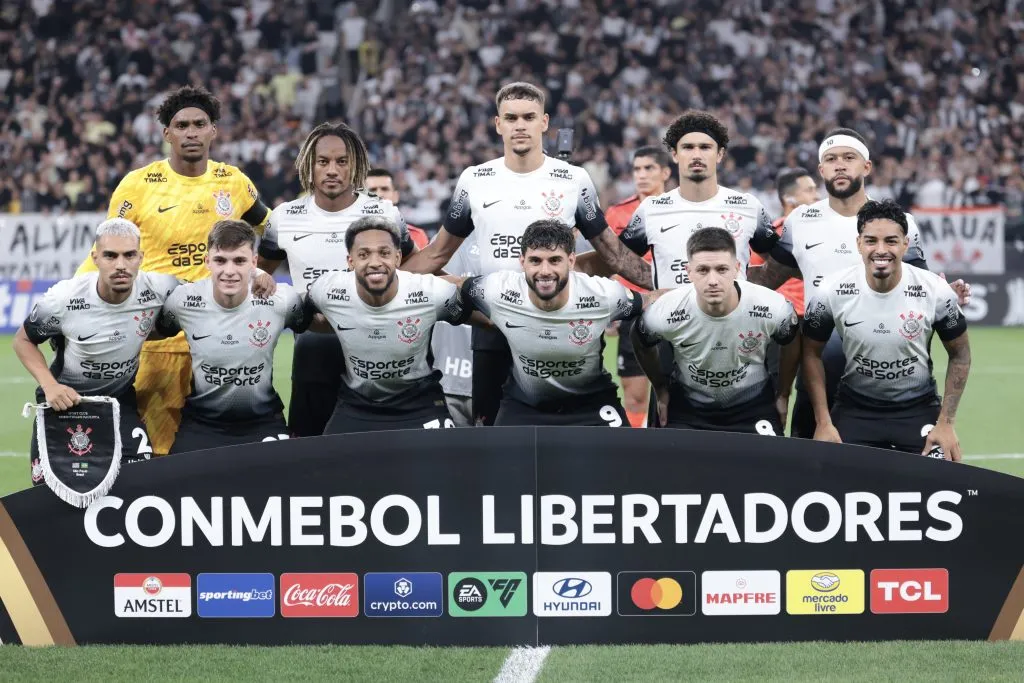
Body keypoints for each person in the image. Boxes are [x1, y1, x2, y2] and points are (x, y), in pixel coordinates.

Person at [400, 81, 651, 425]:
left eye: (529, 117)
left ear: (544, 122)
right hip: (493, 325)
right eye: (511, 118)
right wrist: (387, 283)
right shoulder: (475, 179)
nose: (520, 125)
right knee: (491, 431)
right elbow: (436, 254)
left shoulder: (573, 179)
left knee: (562, 426)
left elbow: (614, 255)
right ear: (498, 124)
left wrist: (671, 286)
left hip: (557, 324)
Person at [75, 85, 272, 455]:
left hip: (222, 341)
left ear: (213, 130)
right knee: (157, 450)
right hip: (158, 341)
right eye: (182, 126)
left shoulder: (233, 182)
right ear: (167, 133)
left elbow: (270, 229)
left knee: (224, 447)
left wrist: (263, 273)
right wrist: (76, 300)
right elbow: (103, 250)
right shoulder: (138, 185)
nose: (191, 132)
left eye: (199, 124)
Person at [749, 128, 970, 438]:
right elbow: (769, 279)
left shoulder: (897, 222)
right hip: (820, 365)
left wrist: (946, 292)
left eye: (848, 158)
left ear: (866, 167)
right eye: (831, 159)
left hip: (886, 370)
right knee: (812, 458)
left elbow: (919, 285)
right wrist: (725, 274)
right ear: (821, 169)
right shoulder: (800, 221)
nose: (839, 165)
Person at [257, 123, 418, 437]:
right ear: (310, 165)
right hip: (313, 352)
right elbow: (260, 274)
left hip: (376, 352)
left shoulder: (383, 212)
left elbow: (416, 266)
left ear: (355, 165)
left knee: (375, 446)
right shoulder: (284, 217)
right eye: (323, 161)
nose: (332, 170)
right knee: (310, 447)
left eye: (342, 161)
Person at [802, 200, 970, 461]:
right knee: (829, 476)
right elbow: (810, 353)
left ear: (905, 244)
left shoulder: (935, 291)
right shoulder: (831, 290)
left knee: (946, 476)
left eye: (891, 241)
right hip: (855, 409)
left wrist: (946, 423)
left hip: (917, 408)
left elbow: (960, 354)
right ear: (858, 244)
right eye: (871, 241)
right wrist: (823, 422)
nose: (881, 250)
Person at [14, 219, 180, 483]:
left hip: (118, 404)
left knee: (141, 484)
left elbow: (206, 297)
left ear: (141, 257)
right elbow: (22, 340)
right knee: (47, 497)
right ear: (95, 258)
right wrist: (50, 386)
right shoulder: (65, 298)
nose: (121, 264)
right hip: (65, 405)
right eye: (110, 256)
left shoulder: (161, 288)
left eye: (129, 255)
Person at [460, 220, 645, 426]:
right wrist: (490, 321)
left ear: (571, 261)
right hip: (525, 406)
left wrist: (661, 383)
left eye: (555, 260)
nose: (545, 271)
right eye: (535, 261)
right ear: (522, 262)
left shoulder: (604, 295)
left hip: (592, 404)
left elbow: (650, 305)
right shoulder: (497, 290)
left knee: (625, 448)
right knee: (500, 447)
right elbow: (449, 291)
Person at [306, 216, 471, 433]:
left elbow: (482, 316)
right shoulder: (327, 290)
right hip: (357, 404)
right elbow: (301, 317)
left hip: (419, 402)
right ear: (350, 261)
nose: (375, 262)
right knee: (329, 455)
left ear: (398, 257)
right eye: (364, 254)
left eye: (384, 253)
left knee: (443, 455)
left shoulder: (432, 292)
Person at [632, 227, 799, 435]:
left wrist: (783, 393)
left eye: (722, 269)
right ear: (689, 272)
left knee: (770, 457)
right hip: (689, 408)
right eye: (703, 270)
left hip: (753, 405)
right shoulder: (665, 311)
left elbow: (792, 341)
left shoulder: (774, 307)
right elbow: (639, 339)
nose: (712, 281)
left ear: (737, 269)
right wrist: (660, 388)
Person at [158, 221, 308, 453]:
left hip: (264, 422)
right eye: (220, 260)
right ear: (207, 261)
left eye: (239, 261)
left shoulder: (282, 300)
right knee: (176, 476)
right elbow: (158, 330)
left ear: (254, 262)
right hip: (202, 424)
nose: (229, 271)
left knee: (286, 474)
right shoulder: (183, 300)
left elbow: (308, 324)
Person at [748, 167, 820, 430]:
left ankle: (806, 443)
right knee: (776, 393)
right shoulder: (772, 236)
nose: (817, 196)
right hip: (781, 325)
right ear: (789, 199)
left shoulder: (824, 233)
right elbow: (754, 278)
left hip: (816, 323)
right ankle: (772, 441)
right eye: (809, 190)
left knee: (814, 393)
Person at [605, 146, 672, 428]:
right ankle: (637, 447)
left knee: (674, 390)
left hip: (671, 307)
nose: (641, 175)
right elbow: (609, 263)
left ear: (665, 173)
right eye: (636, 169)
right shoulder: (617, 213)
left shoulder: (678, 208)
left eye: (649, 168)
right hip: (633, 309)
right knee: (634, 395)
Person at [365, 168, 430, 248]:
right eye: (372, 190)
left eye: (385, 189)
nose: (379, 194)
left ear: (395, 196)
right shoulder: (352, 235)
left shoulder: (416, 236)